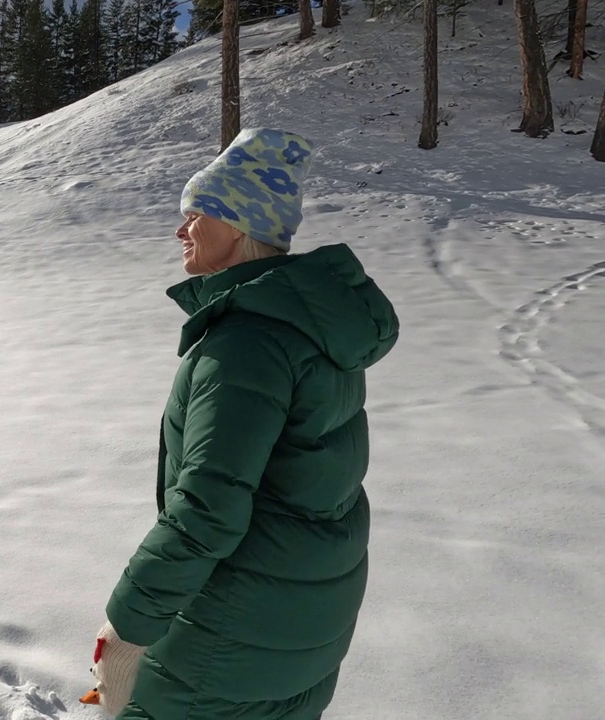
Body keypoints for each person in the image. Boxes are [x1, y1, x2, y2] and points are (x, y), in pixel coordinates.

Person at [89, 128, 400, 719]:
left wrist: (127, 629)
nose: (181, 230)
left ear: (236, 225)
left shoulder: (245, 346)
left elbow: (207, 509)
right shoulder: (314, 332)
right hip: (303, 625)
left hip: (230, 636)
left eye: (195, 214)